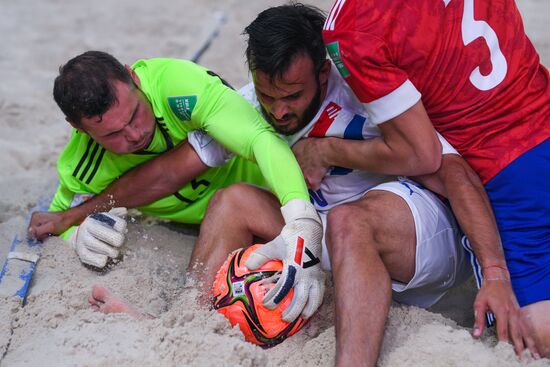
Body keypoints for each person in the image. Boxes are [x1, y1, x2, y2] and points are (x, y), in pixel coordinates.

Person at [90, 3, 505, 363]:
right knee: (232, 199)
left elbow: (455, 173)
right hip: (331, 243)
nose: (279, 110)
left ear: (323, 74)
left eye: (292, 95)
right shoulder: (254, 103)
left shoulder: (367, 90)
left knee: (347, 220)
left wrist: (495, 272)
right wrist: (82, 209)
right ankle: (189, 315)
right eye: (269, 95)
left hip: (418, 242)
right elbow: (169, 171)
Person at [322, 0, 549, 361]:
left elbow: (421, 155)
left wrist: (326, 152)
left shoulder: (353, 24)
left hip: (502, 171)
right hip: (540, 107)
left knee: (531, 334)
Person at [29, 50, 325, 322]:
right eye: (113, 134)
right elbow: (56, 220)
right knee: (225, 208)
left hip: (282, 200)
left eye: (135, 114)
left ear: (134, 77)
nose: (134, 134)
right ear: (78, 128)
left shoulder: (178, 86)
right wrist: (77, 237)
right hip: (218, 231)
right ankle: (186, 317)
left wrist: (300, 217)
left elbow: (261, 139)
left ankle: (187, 314)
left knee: (230, 201)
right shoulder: (82, 165)